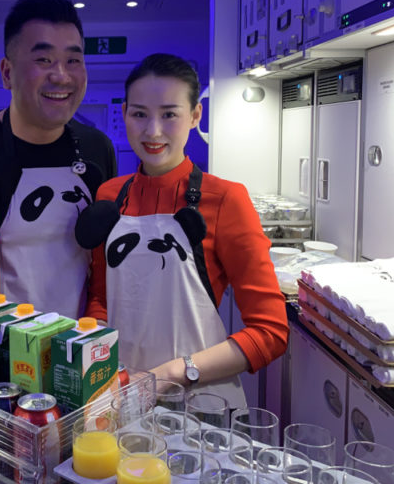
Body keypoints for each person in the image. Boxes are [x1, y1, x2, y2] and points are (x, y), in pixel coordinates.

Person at [78, 53, 288, 407]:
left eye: (170, 114)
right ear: (124, 113)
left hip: (199, 399)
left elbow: (270, 332)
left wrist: (174, 373)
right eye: (140, 114)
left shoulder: (225, 199)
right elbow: (102, 298)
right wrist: (93, 359)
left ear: (195, 116)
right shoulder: (110, 195)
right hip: (120, 395)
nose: (153, 131)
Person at [0, 0, 116, 318]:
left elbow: (104, 264)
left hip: (80, 344)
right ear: (7, 73)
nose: (61, 76)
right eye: (44, 60)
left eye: (74, 60)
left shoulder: (97, 150)